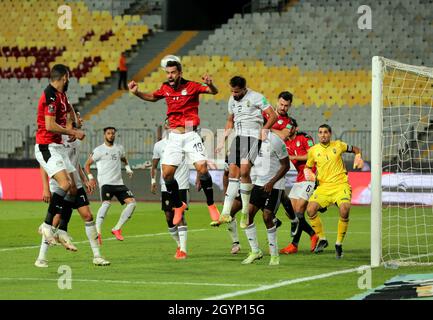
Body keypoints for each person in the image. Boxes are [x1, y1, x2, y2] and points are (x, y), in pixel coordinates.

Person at [128, 55, 220, 225]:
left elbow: (214, 92)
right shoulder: (165, 88)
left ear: (180, 73)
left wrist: (210, 83)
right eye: (167, 72)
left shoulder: (191, 86)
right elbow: (153, 97)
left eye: (173, 72)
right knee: (167, 175)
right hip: (174, 137)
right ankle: (178, 205)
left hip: (191, 134)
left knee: (202, 168)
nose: (170, 76)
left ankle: (211, 204)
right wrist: (137, 93)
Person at [35, 114, 110, 267]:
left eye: (78, 122)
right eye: (75, 121)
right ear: (66, 123)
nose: (79, 122)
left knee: (88, 216)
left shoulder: (76, 142)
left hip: (75, 184)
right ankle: (41, 257)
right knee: (54, 221)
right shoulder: (58, 141)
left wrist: (85, 179)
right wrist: (45, 188)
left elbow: (75, 164)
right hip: (61, 185)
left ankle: (97, 256)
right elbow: (44, 164)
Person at [35, 64, 85, 246]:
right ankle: (46, 225)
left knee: (72, 189)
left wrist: (75, 119)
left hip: (58, 146)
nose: (69, 80)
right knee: (65, 184)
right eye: (68, 77)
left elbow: (69, 107)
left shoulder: (61, 95)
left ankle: (62, 229)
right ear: (64, 77)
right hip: (47, 145)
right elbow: (49, 125)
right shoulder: (50, 95)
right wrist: (73, 132)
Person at [217, 76, 278, 228]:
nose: (234, 94)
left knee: (244, 172)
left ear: (244, 89)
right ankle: (225, 212)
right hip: (238, 137)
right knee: (232, 172)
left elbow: (273, 116)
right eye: (231, 91)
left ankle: (245, 210)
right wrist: (222, 138)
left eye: (236, 92)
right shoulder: (231, 100)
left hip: (252, 137)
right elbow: (230, 120)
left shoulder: (257, 97)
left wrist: (264, 130)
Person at [304, 124, 364, 258]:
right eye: (320, 132)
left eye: (325, 132)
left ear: (330, 134)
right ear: (318, 134)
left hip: (340, 185)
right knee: (310, 209)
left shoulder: (338, 145)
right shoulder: (313, 151)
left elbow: (355, 149)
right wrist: (308, 173)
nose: (323, 135)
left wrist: (358, 156)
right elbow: (308, 166)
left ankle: (338, 244)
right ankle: (322, 239)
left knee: (344, 209)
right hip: (324, 187)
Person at [85, 127, 136, 244]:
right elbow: (87, 165)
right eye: (108, 133)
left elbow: (124, 159)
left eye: (113, 133)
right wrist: (91, 178)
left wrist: (128, 169)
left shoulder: (119, 148)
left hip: (119, 183)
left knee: (132, 203)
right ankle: (98, 232)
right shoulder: (99, 150)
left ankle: (117, 228)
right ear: (104, 135)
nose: (111, 135)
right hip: (106, 183)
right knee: (106, 205)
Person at [279, 117, 319, 254]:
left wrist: (294, 158)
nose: (288, 130)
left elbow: (312, 155)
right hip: (299, 179)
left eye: (291, 127)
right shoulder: (285, 143)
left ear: (296, 128)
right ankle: (311, 235)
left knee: (300, 209)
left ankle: (296, 243)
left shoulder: (304, 138)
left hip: (310, 177)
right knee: (294, 214)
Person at [151, 119, 190, 259]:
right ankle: (179, 244)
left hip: (182, 184)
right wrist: (153, 180)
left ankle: (183, 250)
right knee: (168, 216)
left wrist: (199, 176)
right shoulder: (159, 145)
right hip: (165, 185)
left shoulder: (185, 140)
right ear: (166, 125)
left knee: (180, 215)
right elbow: (154, 165)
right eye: (169, 122)